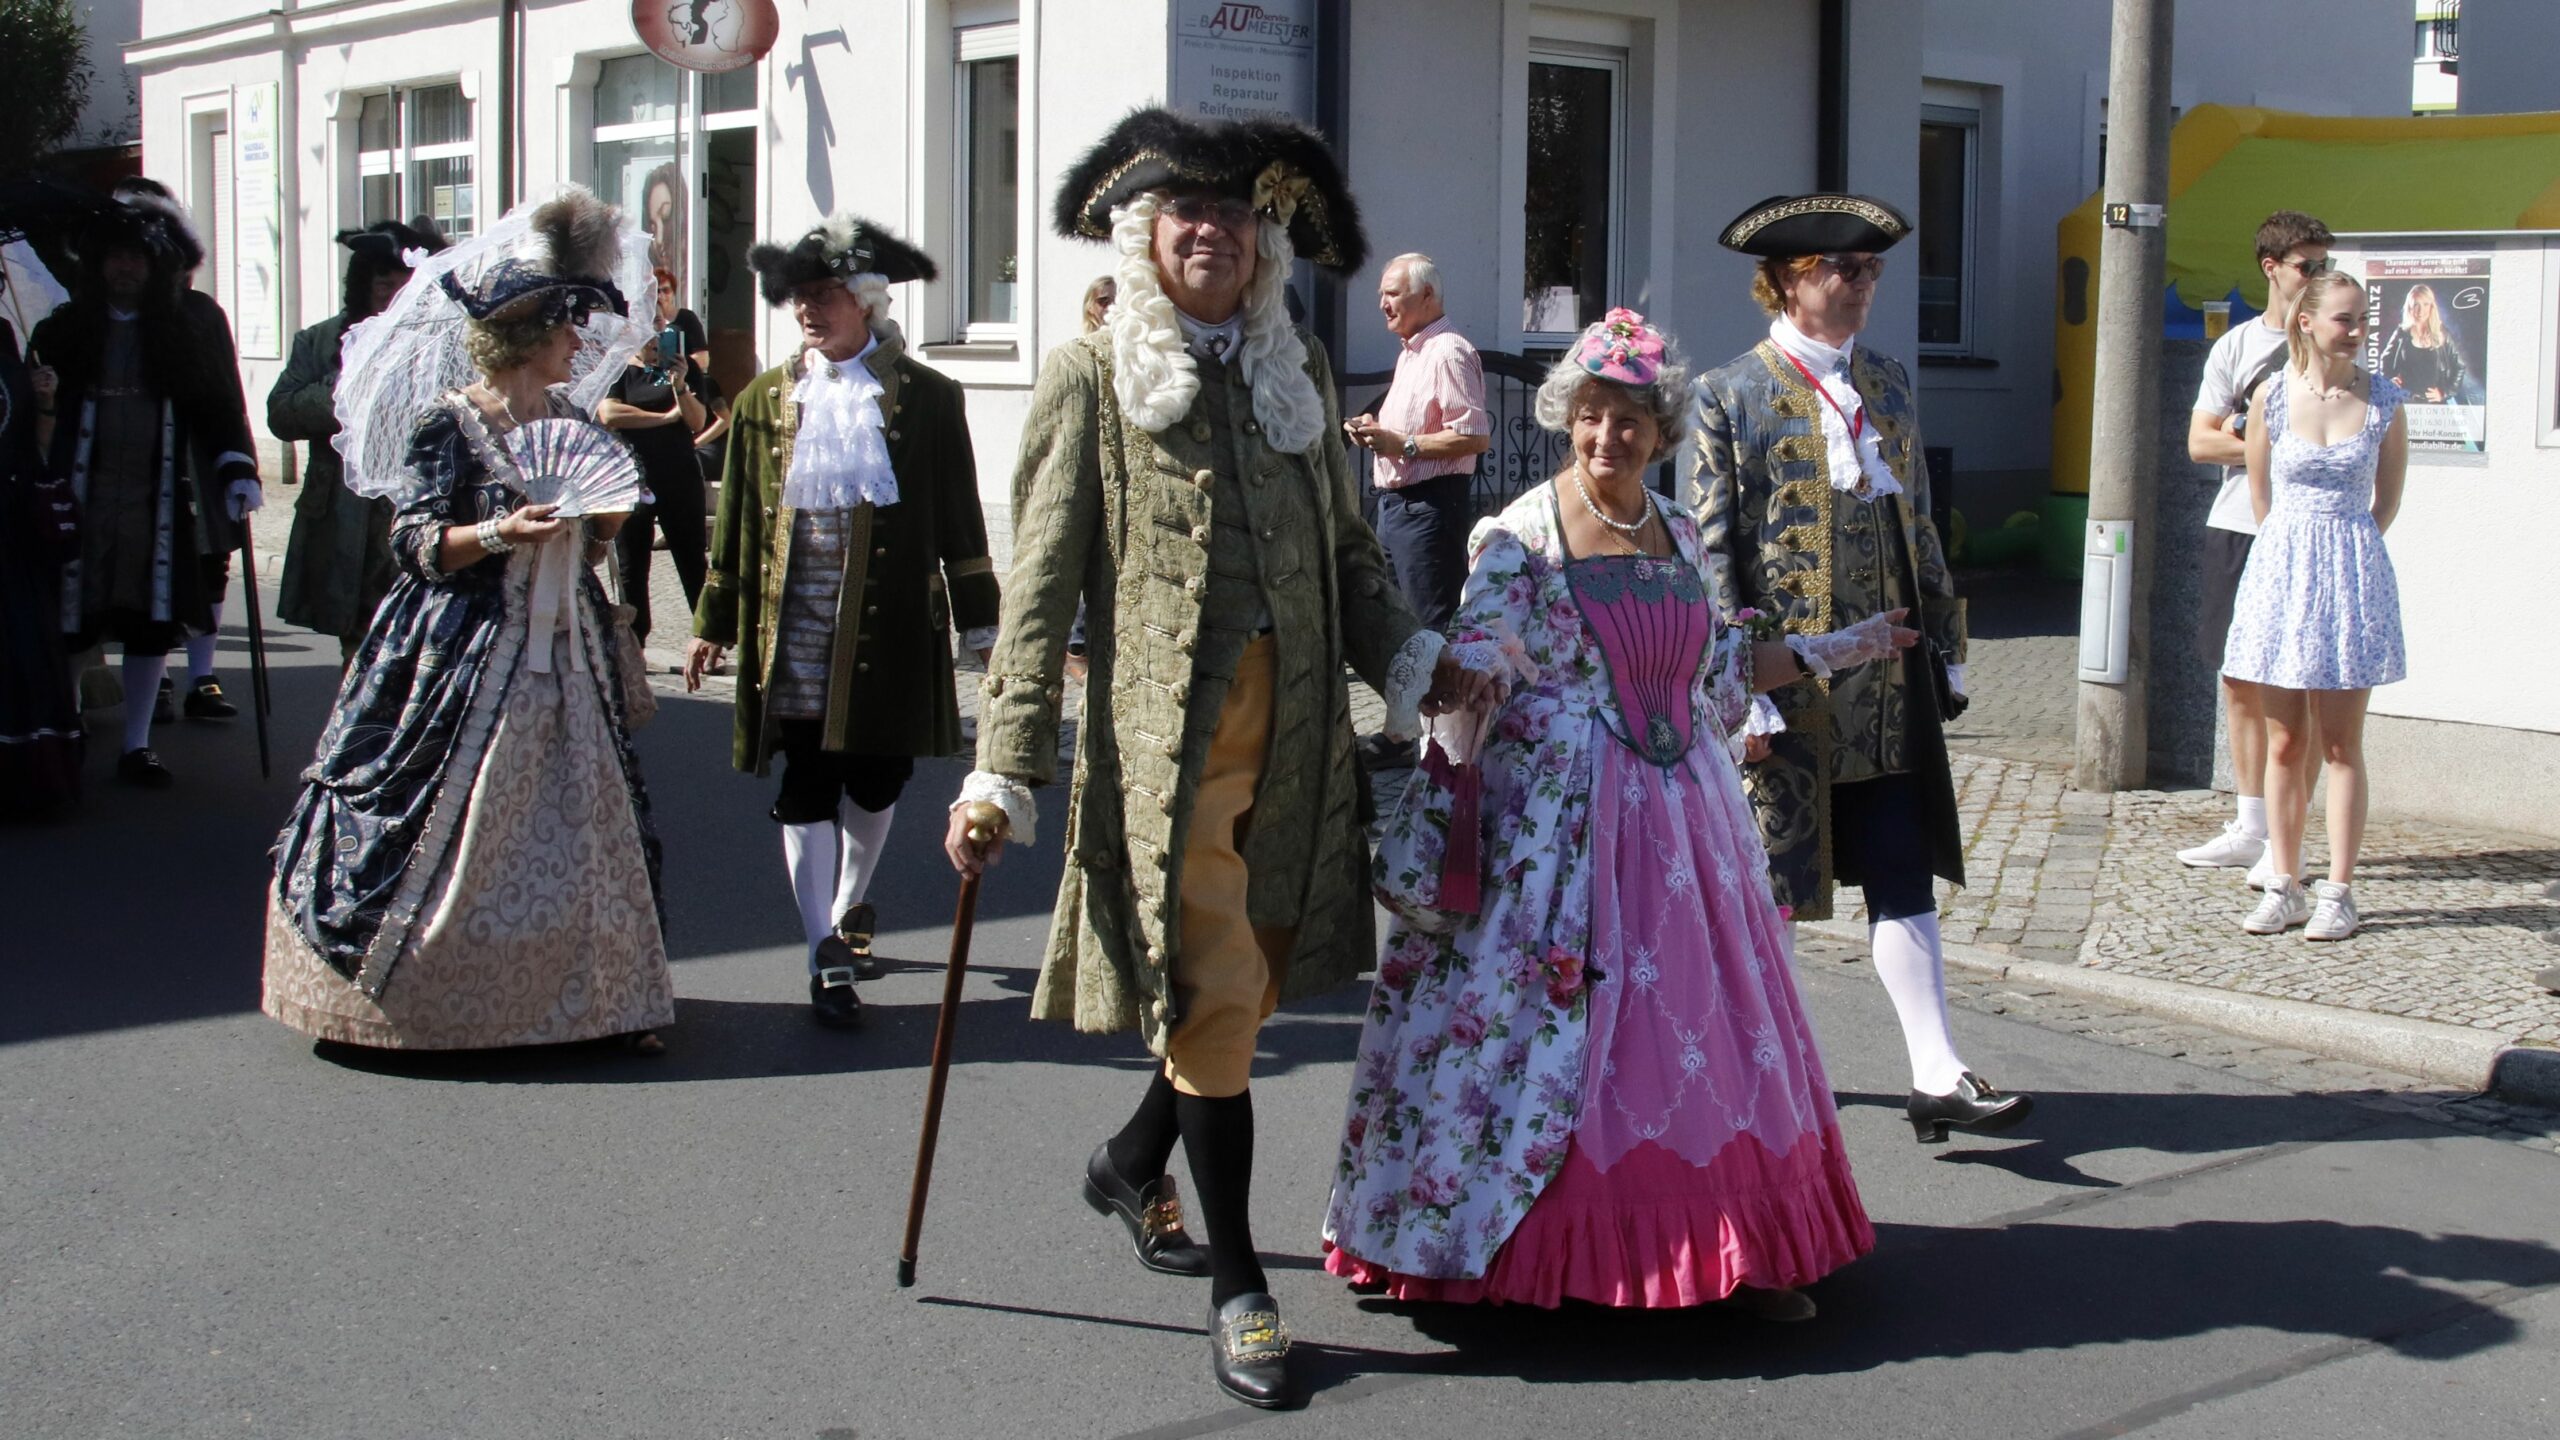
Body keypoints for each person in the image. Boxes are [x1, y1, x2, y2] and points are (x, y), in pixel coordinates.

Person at [944, 107, 1489, 1410]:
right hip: (1165, 761)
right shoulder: (1092, 379)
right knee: (1224, 980)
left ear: (1263, 238)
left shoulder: (1293, 367)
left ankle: (1135, 1159)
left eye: (1236, 214)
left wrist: (1422, 662)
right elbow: (1038, 597)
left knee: (1219, 998)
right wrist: (998, 772)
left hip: (1292, 754)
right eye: (1186, 212)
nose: (1212, 232)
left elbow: (1355, 567)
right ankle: (1239, 1280)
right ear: (1147, 233)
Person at [1326, 308, 1893, 1315]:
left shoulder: (1677, 532)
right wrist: (1481, 676)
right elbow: (1471, 662)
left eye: (1628, 419)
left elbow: (1715, 674)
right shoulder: (1519, 536)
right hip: (1555, 830)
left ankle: (1738, 1244)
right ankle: (1503, 1242)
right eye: (1589, 416)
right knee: (1546, 1038)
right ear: (1565, 419)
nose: (1606, 438)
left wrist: (1837, 647)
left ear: (1660, 431)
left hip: (1685, 828)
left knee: (1704, 1031)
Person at [262, 187, 673, 1053]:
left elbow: (589, 546)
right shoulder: (448, 424)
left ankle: (593, 1001)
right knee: (432, 818)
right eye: (568, 331)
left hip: (562, 651)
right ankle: (429, 1003)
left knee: (584, 825)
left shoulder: (566, 421)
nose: (580, 345)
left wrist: (598, 527)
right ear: (528, 336)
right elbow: (411, 545)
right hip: (462, 645)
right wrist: (496, 530)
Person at [1692, 193, 2032, 1144]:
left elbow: (1915, 518)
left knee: (1896, 866)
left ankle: (1938, 1070)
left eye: (1872, 270)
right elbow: (1716, 556)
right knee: (1779, 884)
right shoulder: (1730, 393)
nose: (1863, 283)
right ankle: (1773, 1075)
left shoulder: (1886, 381)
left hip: (1886, 683)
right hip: (1781, 685)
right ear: (1791, 280)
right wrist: (1735, 692)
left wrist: (1950, 647)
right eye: (1845, 269)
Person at [684, 215, 997, 1024]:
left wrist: (981, 622)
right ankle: (821, 943)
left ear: (864, 300)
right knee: (807, 784)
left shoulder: (929, 398)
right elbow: (740, 524)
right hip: (791, 632)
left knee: (878, 777)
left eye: (824, 295)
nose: (808, 311)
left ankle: (853, 903)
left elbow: (959, 513)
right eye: (798, 298)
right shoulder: (763, 399)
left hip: (892, 627)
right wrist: (711, 620)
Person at [32, 181, 263, 788]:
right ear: (99, 264)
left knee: (149, 618)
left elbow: (217, 407)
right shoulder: (63, 329)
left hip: (152, 499)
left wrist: (236, 468)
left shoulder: (179, 331)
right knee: (67, 617)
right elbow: (34, 408)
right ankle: (66, 728)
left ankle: (136, 744)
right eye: (115, 256)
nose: (126, 267)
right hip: (79, 495)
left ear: (154, 263)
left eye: (136, 256)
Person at [2222, 270, 2408, 942]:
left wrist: (2341, 550)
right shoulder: (2273, 395)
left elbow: (2386, 501)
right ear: (2308, 321)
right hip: (2283, 571)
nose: (2357, 332)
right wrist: (2295, 554)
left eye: (2362, 320)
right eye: (2345, 320)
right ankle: (2286, 883)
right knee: (2285, 740)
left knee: (2339, 743)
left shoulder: (2385, 400)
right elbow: (2263, 497)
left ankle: (2341, 890)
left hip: (2351, 570)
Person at [2178, 211, 2334, 885]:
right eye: (2308, 266)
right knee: (2238, 677)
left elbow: (2338, 439)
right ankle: (2249, 824)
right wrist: (2268, 450)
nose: (2318, 278)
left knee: (2299, 684)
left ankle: (2287, 832)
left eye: (2325, 266)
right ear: (2272, 268)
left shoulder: (2336, 349)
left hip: (2304, 532)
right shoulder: (2236, 347)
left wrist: (2263, 452)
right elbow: (2199, 442)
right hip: (2239, 524)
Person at [272, 221, 447, 667]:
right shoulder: (320, 341)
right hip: (343, 511)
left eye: (400, 284)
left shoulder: (437, 343)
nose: (390, 294)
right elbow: (282, 414)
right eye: (381, 283)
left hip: (414, 503)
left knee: (416, 631)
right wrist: (346, 387)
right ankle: (361, 724)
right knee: (357, 634)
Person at [1344, 251, 1489, 635]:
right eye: (1381, 294)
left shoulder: (1448, 351)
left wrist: (1401, 445)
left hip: (1429, 507)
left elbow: (1474, 435)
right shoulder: (1413, 352)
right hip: (1398, 508)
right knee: (1402, 627)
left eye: (1391, 293)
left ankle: (1443, 696)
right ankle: (1414, 697)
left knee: (1431, 628)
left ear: (1426, 294)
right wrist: (1375, 429)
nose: (1382, 304)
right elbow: (1417, 426)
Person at [2, 268, 82, 816]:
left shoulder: (7, 342)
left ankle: (27, 783)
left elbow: (36, 442)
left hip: (9, 528)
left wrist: (46, 402)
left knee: (22, 651)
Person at [598, 325, 712, 645]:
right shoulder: (620, 370)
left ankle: (708, 634)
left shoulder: (679, 371)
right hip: (631, 477)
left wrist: (680, 387)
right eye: (647, 331)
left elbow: (696, 421)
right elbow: (608, 413)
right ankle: (635, 640)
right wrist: (662, 419)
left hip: (679, 475)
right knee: (632, 563)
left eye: (660, 330)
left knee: (691, 559)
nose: (654, 339)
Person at [2378, 282, 2468, 405]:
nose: (2421, 311)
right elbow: (2384, 360)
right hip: (2405, 402)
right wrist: (2390, 380)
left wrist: (2445, 392)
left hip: (2434, 407)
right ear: (2409, 307)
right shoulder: (2402, 333)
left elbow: (2460, 366)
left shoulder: (2442, 333)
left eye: (2426, 304)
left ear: (2432, 307)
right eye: (2416, 305)